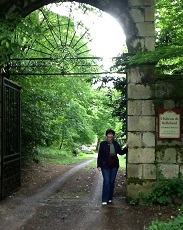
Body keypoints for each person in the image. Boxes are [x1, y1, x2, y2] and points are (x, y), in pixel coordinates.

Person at [97, 129, 128, 205]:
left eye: (111, 134)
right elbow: (100, 155)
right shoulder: (103, 144)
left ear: (113, 135)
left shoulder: (115, 144)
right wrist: (99, 165)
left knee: (111, 182)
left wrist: (126, 147)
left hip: (114, 165)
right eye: (109, 134)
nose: (110, 135)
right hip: (105, 165)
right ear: (107, 135)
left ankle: (110, 198)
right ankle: (104, 199)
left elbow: (120, 152)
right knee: (106, 181)